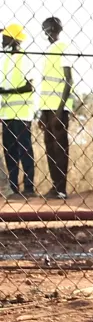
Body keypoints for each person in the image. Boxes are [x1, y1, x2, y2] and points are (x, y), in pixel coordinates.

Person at [39, 17, 74, 200]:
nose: (46, 33)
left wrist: (60, 109)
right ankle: (55, 186)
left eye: (47, 29)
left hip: (58, 107)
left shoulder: (63, 48)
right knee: (50, 148)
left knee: (60, 148)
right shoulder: (48, 51)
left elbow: (69, 80)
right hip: (46, 107)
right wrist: (41, 112)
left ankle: (61, 188)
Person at [0, 23, 35, 199]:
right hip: (6, 114)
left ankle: (29, 187)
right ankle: (13, 188)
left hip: (22, 113)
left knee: (25, 151)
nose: (2, 41)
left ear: (14, 40)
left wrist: (6, 92)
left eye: (5, 38)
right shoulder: (4, 59)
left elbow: (30, 86)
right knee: (10, 152)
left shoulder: (24, 58)